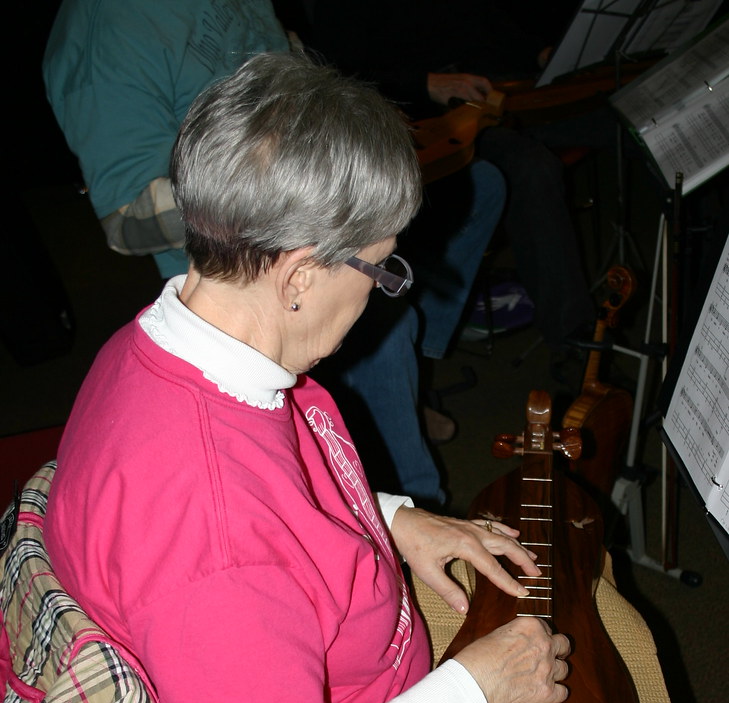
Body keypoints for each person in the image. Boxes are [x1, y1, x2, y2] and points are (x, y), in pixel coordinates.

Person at [44, 52, 710, 703]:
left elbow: (284, 485)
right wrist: (475, 687)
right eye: (381, 264)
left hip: (320, 667)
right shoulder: (210, 528)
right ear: (298, 273)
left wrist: (396, 519)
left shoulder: (184, 337)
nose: (388, 287)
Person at [42, 0, 506, 506]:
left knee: (479, 190)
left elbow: (291, 74)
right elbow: (125, 217)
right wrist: (282, 198)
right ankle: (415, 485)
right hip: (249, 273)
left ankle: (402, 415)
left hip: (306, 231)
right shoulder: (109, 27)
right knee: (388, 328)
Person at [298, 0, 599, 352]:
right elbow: (336, 73)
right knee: (530, 167)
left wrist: (540, 53)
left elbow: (485, 21)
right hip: (415, 116)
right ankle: (575, 339)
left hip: (484, 89)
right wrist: (426, 84)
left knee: (607, 114)